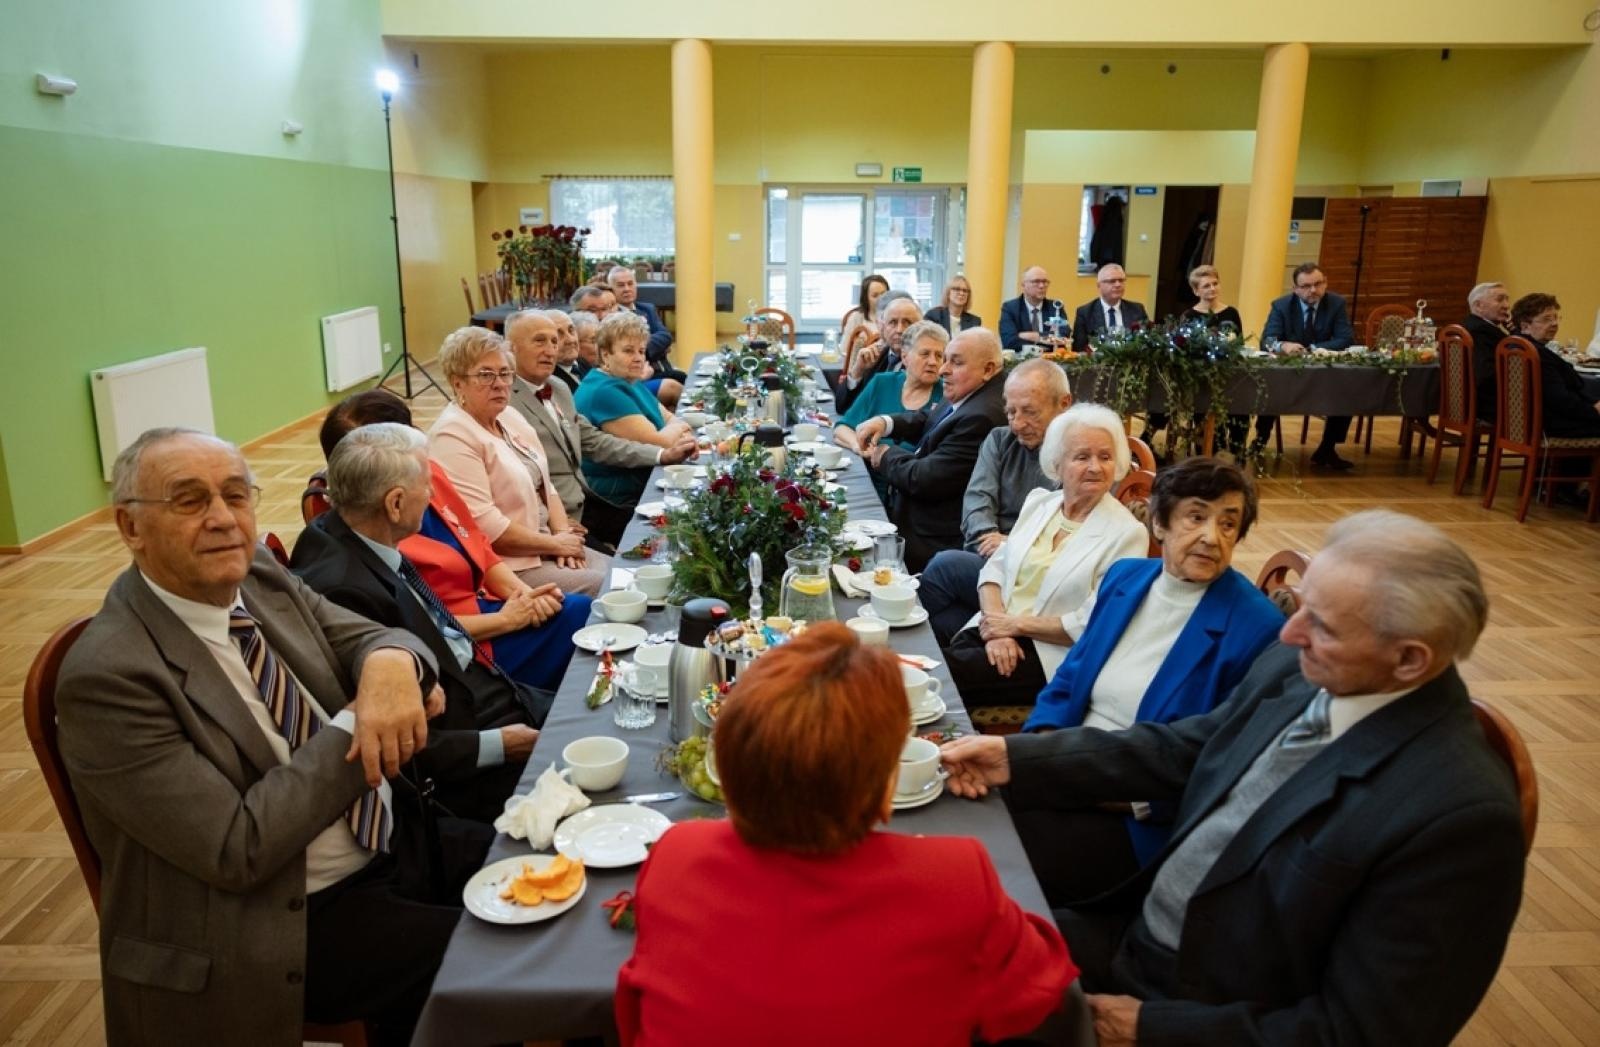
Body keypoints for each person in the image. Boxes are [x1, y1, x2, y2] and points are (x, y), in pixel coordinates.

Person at [940, 510, 1525, 1047]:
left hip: (1207, 1008)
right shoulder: (1306, 670)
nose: (1289, 634)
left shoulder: (1460, 819)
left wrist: (1150, 1027)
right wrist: (1018, 759)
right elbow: (1185, 748)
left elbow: (1363, 1031)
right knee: (939, 953)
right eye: (1298, 606)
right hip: (1137, 933)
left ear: (1410, 661)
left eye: (1319, 625)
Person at [56, 427, 458, 1046]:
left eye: (236, 495)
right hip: (282, 923)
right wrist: (362, 718)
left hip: (388, 836)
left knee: (562, 873)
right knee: (515, 956)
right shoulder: (109, 677)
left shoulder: (259, 574)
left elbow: (372, 637)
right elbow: (238, 849)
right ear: (130, 527)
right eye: (189, 501)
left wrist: (389, 667)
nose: (223, 519)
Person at [615, 623, 1077, 1046]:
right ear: (883, 786)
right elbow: (1037, 997)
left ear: (730, 771)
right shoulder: (956, 879)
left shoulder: (675, 855)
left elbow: (635, 1013)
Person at [1016, 456, 1284, 901]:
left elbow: (1222, 760)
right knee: (971, 811)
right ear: (1159, 523)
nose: (1210, 537)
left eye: (1228, 524)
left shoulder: (1255, 627)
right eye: (1196, 516)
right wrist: (1043, 751)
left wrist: (1095, 789)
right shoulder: (1126, 579)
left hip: (1137, 817)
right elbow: (1069, 679)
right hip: (1066, 768)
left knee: (1006, 858)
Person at [291, 424, 546, 822]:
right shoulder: (343, 591)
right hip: (465, 757)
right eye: (426, 488)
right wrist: (501, 745)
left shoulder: (357, 534)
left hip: (481, 690)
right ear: (394, 504)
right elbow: (397, 742)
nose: (431, 497)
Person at [316, 387, 589, 693]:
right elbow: (423, 627)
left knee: (577, 612)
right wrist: (508, 619)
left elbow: (477, 543)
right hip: (469, 646)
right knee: (584, 620)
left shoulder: (420, 473)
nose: (430, 489)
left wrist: (527, 598)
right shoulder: (374, 534)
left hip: (488, 608)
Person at [932, 405, 1150, 713]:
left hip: (1050, 656)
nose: (1095, 467)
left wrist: (1013, 626)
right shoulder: (1041, 503)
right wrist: (996, 628)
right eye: (1082, 456)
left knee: (933, 674)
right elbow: (994, 570)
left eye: (1105, 456)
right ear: (1057, 464)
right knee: (929, 649)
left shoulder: (1127, 534)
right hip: (997, 632)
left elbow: (1094, 622)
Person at [428, 326, 608, 596]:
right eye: (485, 375)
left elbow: (547, 485)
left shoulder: (509, 416)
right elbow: (486, 527)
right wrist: (555, 545)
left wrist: (563, 536)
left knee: (626, 572)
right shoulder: (451, 435)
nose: (499, 383)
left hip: (549, 543)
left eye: (504, 373)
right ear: (457, 382)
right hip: (511, 566)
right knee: (612, 588)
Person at [506, 309, 693, 548]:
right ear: (511, 348)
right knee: (651, 543)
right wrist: (555, 525)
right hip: (561, 514)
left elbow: (594, 441)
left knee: (673, 528)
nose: (550, 349)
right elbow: (514, 478)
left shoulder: (558, 387)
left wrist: (661, 455)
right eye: (539, 341)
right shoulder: (506, 401)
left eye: (554, 341)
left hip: (588, 500)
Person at [920, 360, 1074, 641]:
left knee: (943, 568)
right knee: (942, 619)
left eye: (1029, 412)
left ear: (1064, 404)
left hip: (1036, 571)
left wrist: (1014, 545)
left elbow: (1068, 533)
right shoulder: (1000, 439)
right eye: (1011, 412)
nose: (1017, 424)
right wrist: (990, 539)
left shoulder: (1079, 455)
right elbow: (977, 502)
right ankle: (992, 641)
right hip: (989, 556)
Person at [857, 328, 1008, 572]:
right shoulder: (971, 387)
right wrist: (886, 423)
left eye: (955, 362)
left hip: (931, 540)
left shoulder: (982, 415)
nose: (942, 369)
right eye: (945, 359)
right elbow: (932, 420)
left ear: (988, 369)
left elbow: (924, 478)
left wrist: (885, 455)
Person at [573, 311, 697, 505]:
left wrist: (677, 428)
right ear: (605, 354)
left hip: (643, 475)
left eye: (641, 350)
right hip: (617, 494)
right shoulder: (604, 391)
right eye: (628, 351)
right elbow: (659, 443)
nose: (638, 358)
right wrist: (679, 428)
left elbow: (671, 419)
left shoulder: (627, 379)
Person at [1256, 261, 1357, 469]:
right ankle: (1259, 440)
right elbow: (1267, 340)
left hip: (1325, 372)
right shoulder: (1281, 305)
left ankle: (1327, 448)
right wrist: (1283, 345)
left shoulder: (1336, 303)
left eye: (1318, 284)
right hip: (1288, 373)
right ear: (1295, 289)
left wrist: (1311, 348)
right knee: (1270, 387)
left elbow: (1345, 339)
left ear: (1325, 283)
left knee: (1347, 390)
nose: (1313, 290)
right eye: (1306, 286)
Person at [833, 319, 947, 458]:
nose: (933, 362)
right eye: (925, 354)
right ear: (905, 357)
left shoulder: (947, 395)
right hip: (869, 473)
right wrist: (858, 446)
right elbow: (842, 428)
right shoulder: (882, 382)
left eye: (939, 355)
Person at [1170, 265, 1246, 449]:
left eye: (1215, 283)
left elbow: (1240, 343)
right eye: (1206, 286)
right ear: (1196, 290)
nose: (1212, 288)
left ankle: (1237, 452)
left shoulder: (1231, 313)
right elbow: (1184, 351)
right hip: (1202, 380)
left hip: (1231, 377)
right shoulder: (1189, 316)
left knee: (1241, 410)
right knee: (1208, 422)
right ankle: (1210, 450)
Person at [1509, 292, 1600, 439]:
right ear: (1525, 326)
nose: (1555, 323)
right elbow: (1560, 400)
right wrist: (1593, 410)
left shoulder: (1515, 346)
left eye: (1556, 318)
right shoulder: (1536, 354)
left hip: (1536, 422)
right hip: (1554, 425)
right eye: (1546, 319)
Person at [835, 290, 922, 414]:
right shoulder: (876, 355)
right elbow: (842, 407)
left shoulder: (923, 363)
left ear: (920, 326)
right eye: (893, 322)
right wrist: (857, 372)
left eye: (907, 322)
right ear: (882, 326)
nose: (899, 330)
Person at [607, 266, 684, 383]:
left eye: (630, 283)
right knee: (682, 378)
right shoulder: (613, 316)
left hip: (663, 368)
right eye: (621, 285)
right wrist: (658, 349)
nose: (627, 289)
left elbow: (665, 336)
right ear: (611, 289)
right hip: (641, 375)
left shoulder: (647, 309)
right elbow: (625, 349)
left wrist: (643, 347)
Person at [1462, 281, 1512, 424]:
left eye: (1507, 299)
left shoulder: (1469, 325)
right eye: (1500, 299)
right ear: (1478, 306)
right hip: (1488, 406)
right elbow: (1487, 373)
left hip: (1470, 402)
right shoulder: (1481, 332)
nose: (1507, 305)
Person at [1071, 264, 1149, 351]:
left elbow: (1145, 343)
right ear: (1099, 285)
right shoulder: (1085, 312)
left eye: (1121, 280)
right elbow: (1079, 349)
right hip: (1097, 363)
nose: (1118, 284)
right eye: (1112, 281)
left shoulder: (1137, 310)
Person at [999, 266, 1069, 350]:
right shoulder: (1010, 308)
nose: (1042, 286)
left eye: (1045, 281)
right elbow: (1009, 341)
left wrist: (1034, 336)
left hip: (1050, 360)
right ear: (1023, 285)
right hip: (1021, 361)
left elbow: (1063, 335)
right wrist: (1047, 339)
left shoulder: (1055, 308)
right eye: (1036, 281)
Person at [839, 273, 889, 351]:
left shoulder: (896, 316)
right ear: (866, 299)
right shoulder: (856, 317)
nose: (881, 299)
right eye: (875, 295)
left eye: (883, 294)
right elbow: (844, 350)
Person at [549, 310, 586, 393]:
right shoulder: (547, 380)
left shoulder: (585, 363)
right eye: (559, 334)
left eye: (571, 330)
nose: (570, 340)